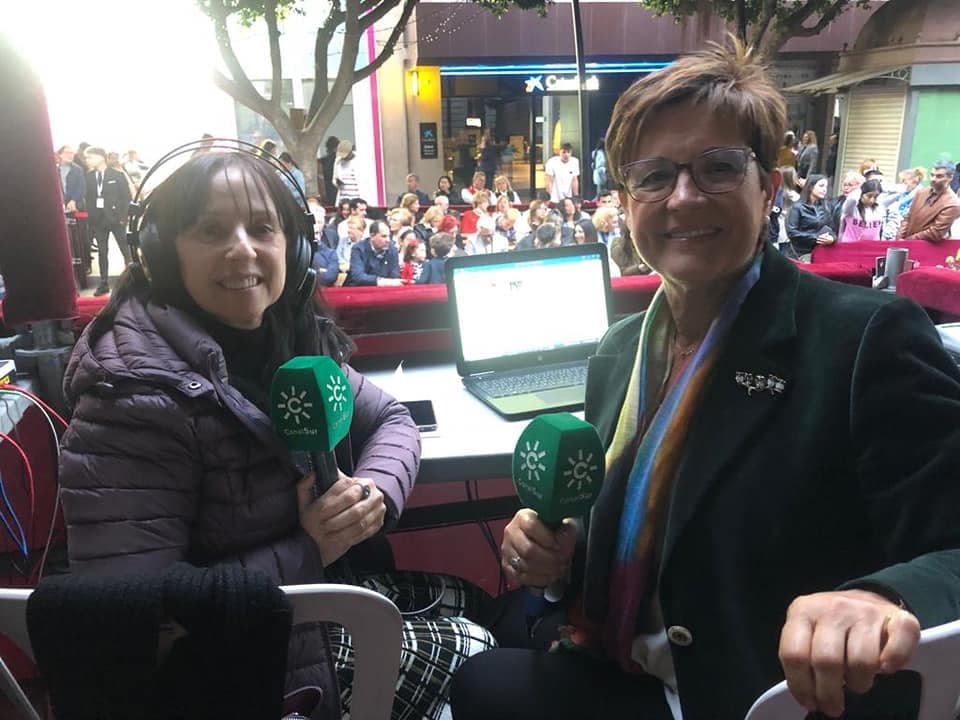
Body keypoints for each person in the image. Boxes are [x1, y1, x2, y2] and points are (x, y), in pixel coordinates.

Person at [450, 39, 960, 720]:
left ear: (768, 187)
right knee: (498, 641)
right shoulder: (620, 351)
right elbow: (646, 529)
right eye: (654, 176)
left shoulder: (867, 340)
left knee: (485, 683)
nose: (683, 198)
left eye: (717, 168)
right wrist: (558, 553)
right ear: (627, 203)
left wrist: (881, 598)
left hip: (748, 692)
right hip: (622, 646)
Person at [58, 151, 498, 720]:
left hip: (309, 599)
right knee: (478, 651)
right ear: (163, 252)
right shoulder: (130, 396)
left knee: (481, 604)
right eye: (212, 230)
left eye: (262, 228)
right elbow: (134, 617)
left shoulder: (286, 338)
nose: (243, 248)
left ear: (293, 247)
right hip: (240, 665)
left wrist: (372, 492)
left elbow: (391, 418)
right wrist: (310, 546)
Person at [83, 146, 132, 295]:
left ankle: (132, 279)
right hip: (98, 220)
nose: (87, 160)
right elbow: (89, 198)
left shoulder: (117, 175)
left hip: (116, 218)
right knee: (102, 252)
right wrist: (91, 217)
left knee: (125, 249)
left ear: (100, 157)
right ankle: (103, 283)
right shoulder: (89, 177)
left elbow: (126, 197)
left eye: (89, 157)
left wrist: (124, 217)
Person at [896, 159, 960, 243]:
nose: (933, 179)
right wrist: (899, 238)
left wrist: (907, 241)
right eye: (932, 175)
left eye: (939, 176)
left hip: (927, 250)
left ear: (950, 177)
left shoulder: (952, 203)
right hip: (906, 244)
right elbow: (908, 218)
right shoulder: (921, 193)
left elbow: (935, 233)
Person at [786, 173, 834, 260]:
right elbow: (792, 232)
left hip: (820, 252)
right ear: (811, 187)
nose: (824, 190)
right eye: (821, 186)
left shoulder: (824, 207)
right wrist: (816, 237)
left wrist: (832, 238)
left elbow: (830, 228)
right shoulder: (797, 207)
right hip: (800, 252)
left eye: (826, 187)